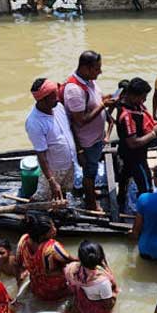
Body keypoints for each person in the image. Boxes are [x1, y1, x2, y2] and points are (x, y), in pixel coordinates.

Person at [61, 50, 115, 212]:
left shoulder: (88, 81)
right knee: (89, 172)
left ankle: (89, 191)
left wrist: (107, 99)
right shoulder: (75, 90)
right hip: (86, 141)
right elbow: (81, 120)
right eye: (97, 68)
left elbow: (95, 101)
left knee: (91, 169)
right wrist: (103, 106)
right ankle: (91, 203)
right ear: (85, 68)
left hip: (95, 138)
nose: (100, 71)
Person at [25, 78, 77, 202]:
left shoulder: (58, 107)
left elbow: (69, 130)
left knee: (62, 192)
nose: (58, 99)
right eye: (53, 97)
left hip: (70, 163)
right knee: (42, 197)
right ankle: (30, 214)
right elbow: (41, 156)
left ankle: (59, 210)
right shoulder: (34, 122)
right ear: (42, 100)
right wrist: (52, 181)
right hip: (54, 169)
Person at [116, 77, 157, 210]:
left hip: (126, 152)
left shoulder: (132, 104)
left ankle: (120, 198)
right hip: (135, 155)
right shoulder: (126, 116)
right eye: (142, 97)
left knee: (124, 176)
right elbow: (133, 143)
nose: (144, 101)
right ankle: (146, 213)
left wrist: (153, 125)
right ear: (132, 95)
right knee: (146, 186)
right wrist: (153, 134)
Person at [16, 212, 76, 301]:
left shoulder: (23, 240)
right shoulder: (52, 247)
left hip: (36, 287)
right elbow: (69, 259)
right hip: (55, 291)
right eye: (52, 228)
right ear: (42, 236)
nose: (55, 229)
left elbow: (19, 263)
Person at [63, 240, 118, 313]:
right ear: (100, 257)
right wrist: (114, 295)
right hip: (93, 312)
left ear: (79, 258)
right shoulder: (102, 282)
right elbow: (108, 304)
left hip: (78, 303)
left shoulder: (70, 268)